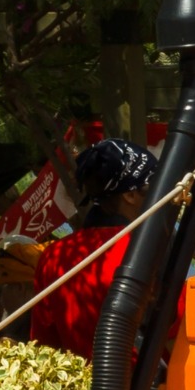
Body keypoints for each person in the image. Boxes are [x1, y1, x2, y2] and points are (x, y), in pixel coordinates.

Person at [28, 138, 159, 358]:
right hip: (149, 389)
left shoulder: (54, 256)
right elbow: (179, 327)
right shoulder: (143, 247)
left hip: (81, 388)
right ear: (130, 195)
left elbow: (44, 345)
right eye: (155, 185)